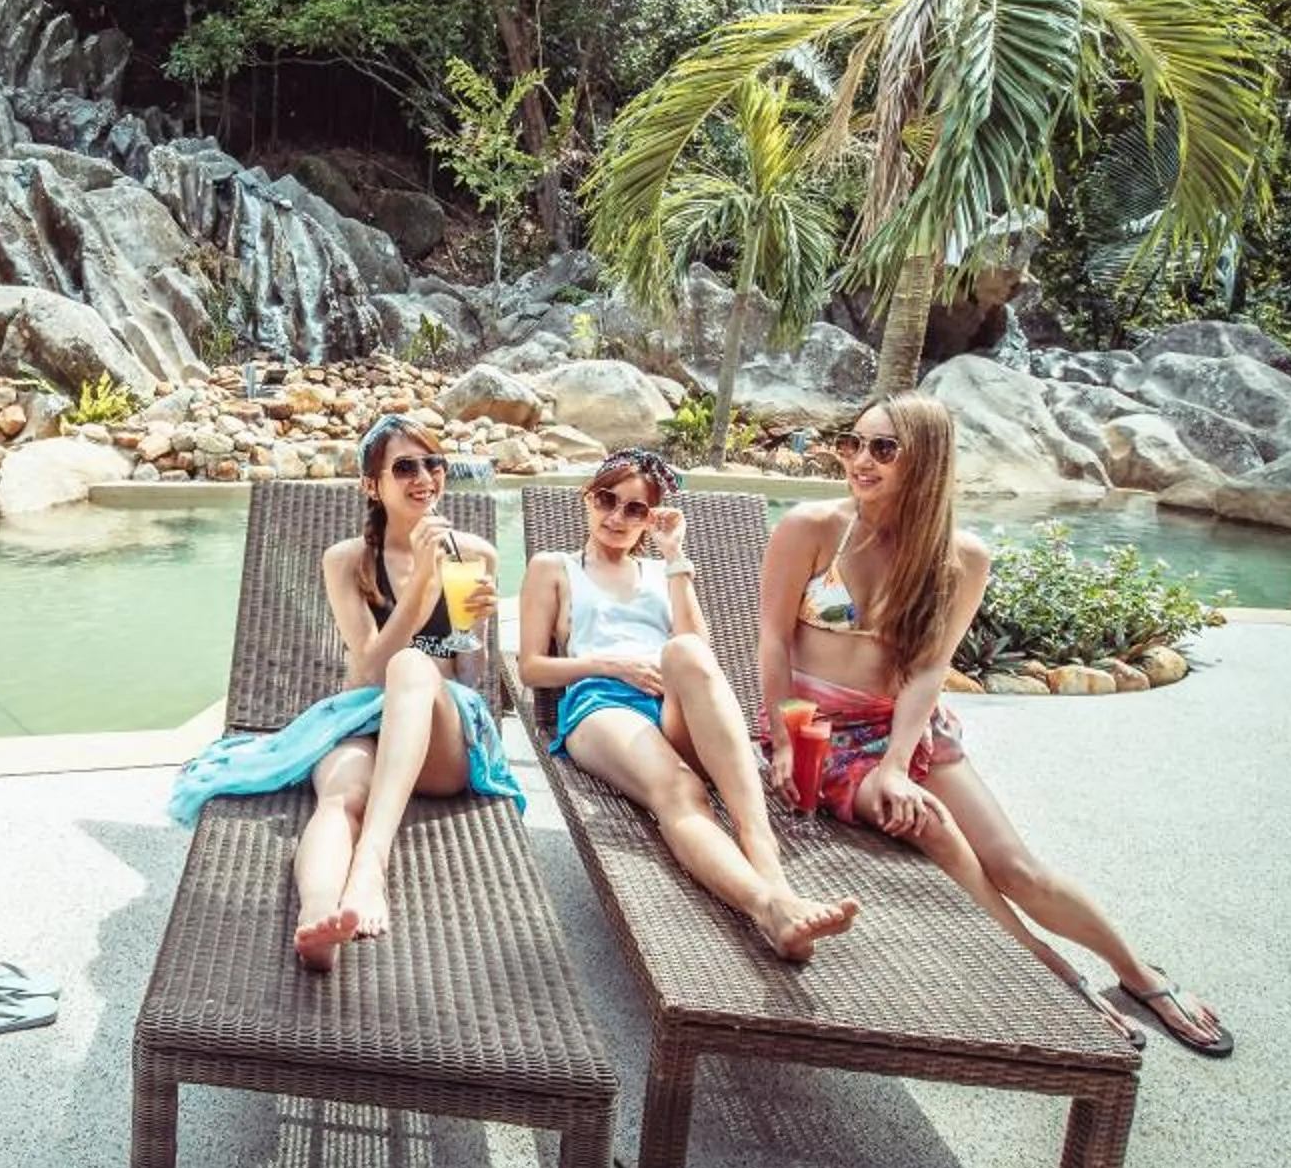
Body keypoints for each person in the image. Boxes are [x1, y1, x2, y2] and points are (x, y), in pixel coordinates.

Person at [758, 392, 1233, 1056]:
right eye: (852, 443)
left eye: (883, 448)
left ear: (926, 460)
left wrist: (897, 760)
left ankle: (1139, 976)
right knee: (930, 823)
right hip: (823, 733)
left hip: (903, 726)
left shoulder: (961, 557)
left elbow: (927, 669)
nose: (861, 460)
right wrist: (782, 738)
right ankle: (1057, 974)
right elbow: (772, 644)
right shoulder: (809, 527)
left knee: (1018, 867)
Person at [170, 415, 524, 970]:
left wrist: (473, 630)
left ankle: (370, 867)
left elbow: (470, 677)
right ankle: (317, 919)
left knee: (414, 666)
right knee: (340, 799)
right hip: (364, 717)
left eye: (434, 464)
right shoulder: (346, 561)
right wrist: (424, 585)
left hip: (443, 733)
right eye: (404, 467)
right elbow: (366, 672)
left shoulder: (473, 554)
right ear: (371, 485)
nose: (424, 478)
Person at [513, 448, 859, 961]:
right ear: (587, 498)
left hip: (673, 703)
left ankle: (768, 863)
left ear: (647, 519)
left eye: (635, 510)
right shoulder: (555, 568)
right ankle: (771, 908)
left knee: (684, 649)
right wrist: (613, 665)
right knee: (681, 789)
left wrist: (675, 556)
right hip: (603, 705)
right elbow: (531, 668)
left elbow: (702, 655)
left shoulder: (662, 573)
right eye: (607, 500)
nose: (616, 516)